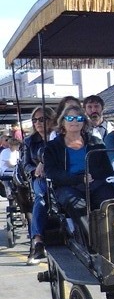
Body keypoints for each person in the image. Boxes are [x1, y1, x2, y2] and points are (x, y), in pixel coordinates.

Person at [44, 105, 114, 234]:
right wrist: (77, 179)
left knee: (108, 201)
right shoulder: (52, 147)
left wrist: (93, 177)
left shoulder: (95, 143)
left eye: (78, 118)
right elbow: (52, 172)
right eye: (70, 118)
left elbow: (106, 168)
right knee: (77, 204)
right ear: (63, 122)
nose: (74, 121)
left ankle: (112, 236)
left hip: (94, 183)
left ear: (84, 122)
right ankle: (92, 241)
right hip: (67, 185)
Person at [24, 106, 55, 265]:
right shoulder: (30, 141)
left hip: (57, 177)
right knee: (41, 198)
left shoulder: (58, 137)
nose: (37, 123)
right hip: (39, 179)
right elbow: (25, 165)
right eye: (35, 120)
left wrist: (45, 164)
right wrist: (35, 169)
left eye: (42, 119)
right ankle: (37, 240)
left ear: (51, 120)